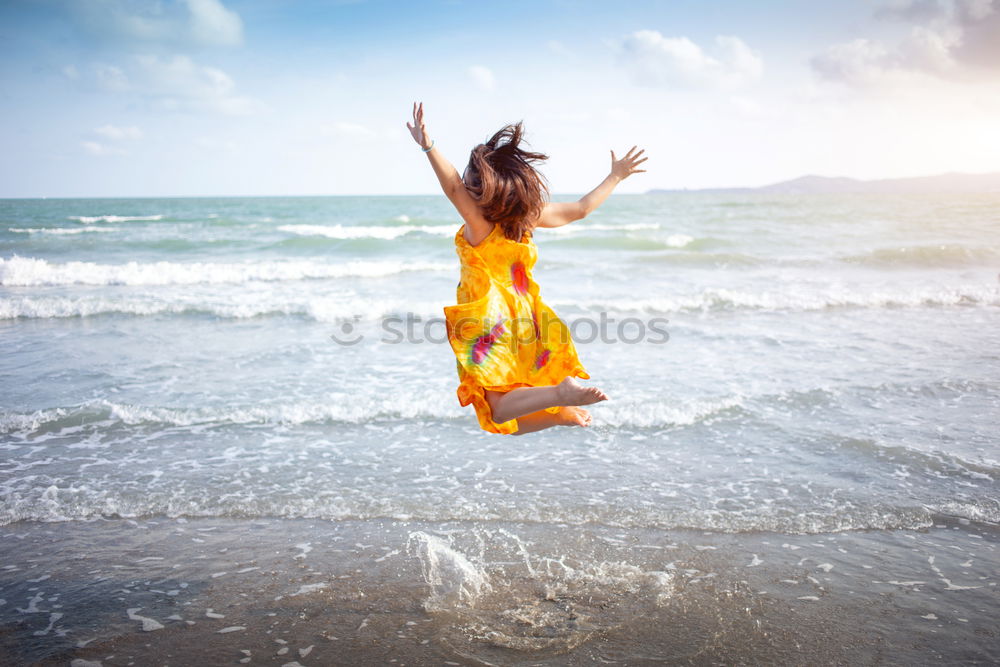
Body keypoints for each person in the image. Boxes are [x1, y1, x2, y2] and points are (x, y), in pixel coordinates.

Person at [406, 101, 647, 435]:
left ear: (480, 190)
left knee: (496, 409)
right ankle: (558, 412)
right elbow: (580, 209)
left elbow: (451, 187)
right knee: (501, 413)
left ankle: (560, 395)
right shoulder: (529, 218)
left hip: (487, 320)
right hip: (526, 318)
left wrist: (428, 146)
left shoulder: (480, 224)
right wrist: (616, 176)